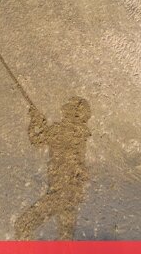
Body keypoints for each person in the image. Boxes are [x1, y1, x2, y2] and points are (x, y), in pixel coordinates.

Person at [14, 97, 92, 240]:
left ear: (72, 113)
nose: (63, 110)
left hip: (58, 194)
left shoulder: (61, 130)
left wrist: (35, 120)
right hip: (71, 197)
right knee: (65, 240)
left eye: (68, 109)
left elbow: (36, 140)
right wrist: (39, 122)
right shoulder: (80, 133)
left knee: (23, 226)